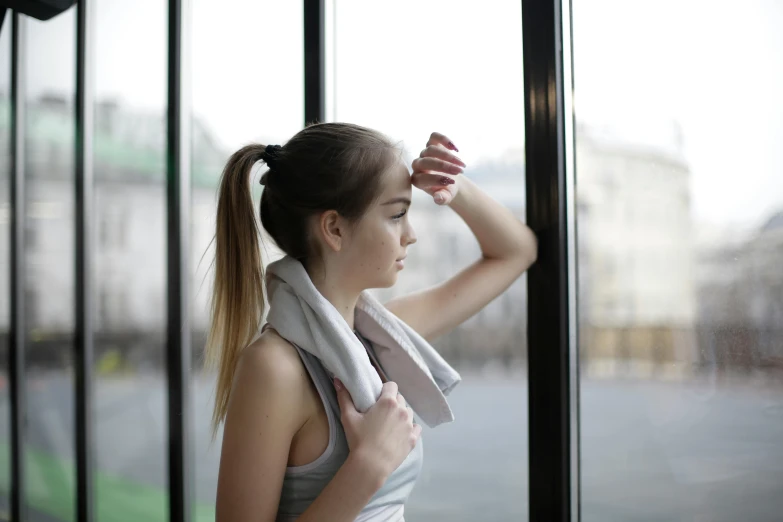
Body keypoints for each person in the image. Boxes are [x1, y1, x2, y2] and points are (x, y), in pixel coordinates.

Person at [207, 123, 537, 521]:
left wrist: (453, 186)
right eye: (397, 214)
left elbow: (517, 252)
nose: (410, 235)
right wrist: (367, 466)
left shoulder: (382, 336)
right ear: (334, 228)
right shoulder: (273, 368)